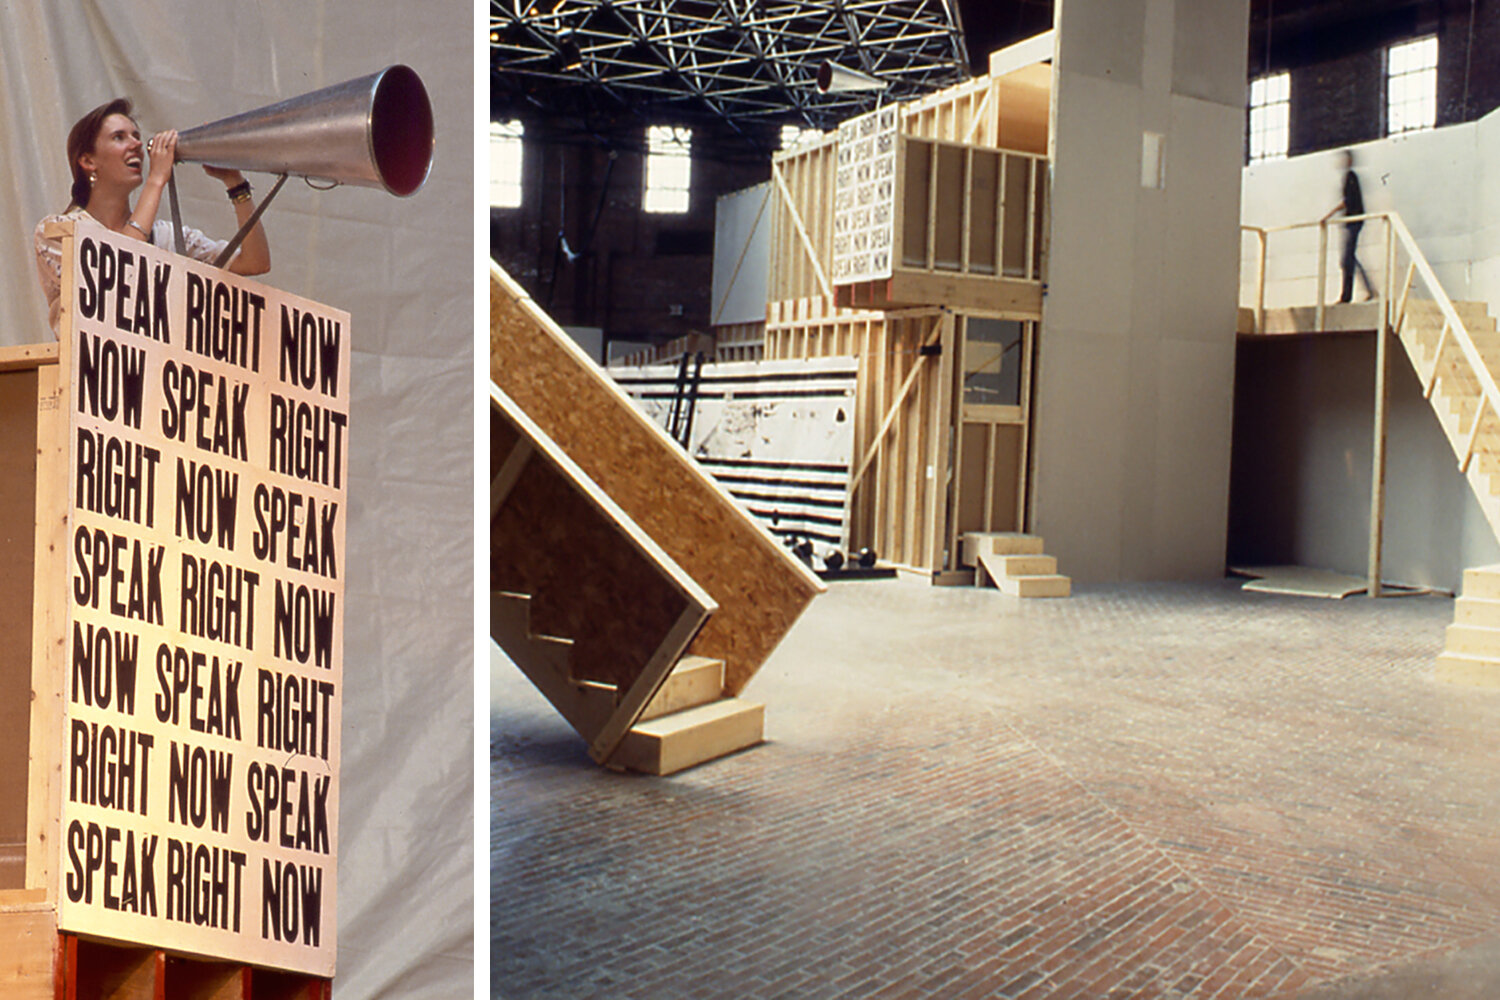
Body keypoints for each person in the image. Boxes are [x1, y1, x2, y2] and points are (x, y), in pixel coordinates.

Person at [34, 97, 271, 334]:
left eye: (136, 136)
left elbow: (255, 262)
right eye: (119, 137)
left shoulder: (166, 236)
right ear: (88, 161)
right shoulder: (60, 231)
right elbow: (119, 266)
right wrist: (156, 179)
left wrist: (235, 183)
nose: (135, 144)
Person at [1320, 149, 1374, 303]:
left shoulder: (1350, 177)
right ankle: (1364, 290)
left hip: (1354, 222)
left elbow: (1347, 201)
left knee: (1346, 260)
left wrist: (1328, 215)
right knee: (1348, 259)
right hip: (1352, 222)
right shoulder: (1349, 177)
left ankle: (1347, 296)